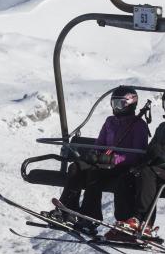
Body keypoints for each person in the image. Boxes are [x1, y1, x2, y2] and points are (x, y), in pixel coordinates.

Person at [107, 85, 165, 240]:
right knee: (128, 175)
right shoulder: (163, 127)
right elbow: (152, 149)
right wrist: (143, 159)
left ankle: (143, 221)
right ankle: (124, 221)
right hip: (161, 166)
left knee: (147, 173)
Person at [49, 86, 150, 233]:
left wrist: (114, 159)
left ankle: (90, 217)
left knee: (94, 174)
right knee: (76, 167)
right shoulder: (110, 122)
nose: (116, 108)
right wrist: (94, 154)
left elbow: (137, 154)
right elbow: (99, 144)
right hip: (104, 164)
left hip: (123, 168)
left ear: (131, 104)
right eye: (114, 104)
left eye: (120, 104)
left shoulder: (138, 126)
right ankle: (67, 210)